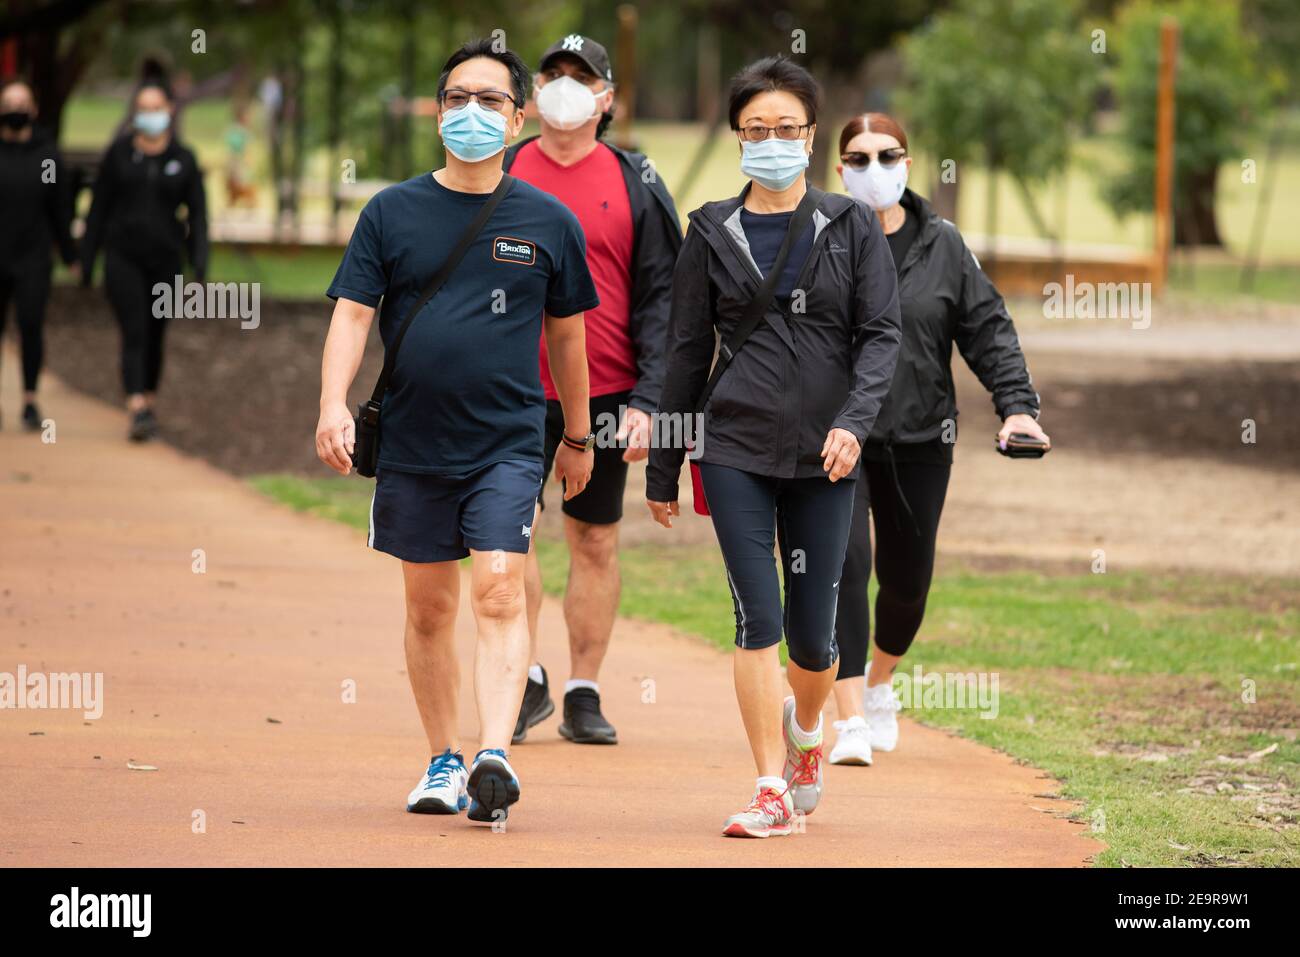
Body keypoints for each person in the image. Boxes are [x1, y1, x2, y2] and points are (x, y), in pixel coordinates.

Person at [314, 39, 599, 827]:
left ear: (519, 118)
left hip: (508, 443)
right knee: (430, 608)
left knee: (501, 587)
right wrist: (332, 402)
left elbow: (568, 338)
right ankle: (443, 756)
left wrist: (578, 435)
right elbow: (352, 314)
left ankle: (494, 754)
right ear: (440, 112)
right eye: (457, 99)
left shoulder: (549, 221)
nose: (472, 114)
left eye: (490, 101)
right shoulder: (391, 212)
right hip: (411, 442)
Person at [646, 57, 902, 838]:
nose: (772, 141)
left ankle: (806, 735)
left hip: (827, 454)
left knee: (815, 630)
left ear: (812, 135)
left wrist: (853, 424)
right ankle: (767, 786)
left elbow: (881, 334)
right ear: (737, 139)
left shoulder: (849, 224)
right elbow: (686, 350)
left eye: (786, 129)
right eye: (756, 130)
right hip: (734, 447)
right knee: (756, 617)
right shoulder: (710, 229)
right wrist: (664, 461)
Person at [827, 113, 1048, 766]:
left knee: (906, 581)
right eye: (859, 158)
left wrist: (1017, 408)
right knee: (844, 565)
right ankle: (846, 722)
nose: (874, 169)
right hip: (838, 439)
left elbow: (988, 329)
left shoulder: (943, 244)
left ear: (908, 163)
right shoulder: (818, 238)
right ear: (839, 170)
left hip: (922, 437)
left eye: (886, 155)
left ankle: (877, 687)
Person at [501, 33, 681, 747]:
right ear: (534, 92)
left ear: (608, 98)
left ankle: (582, 688)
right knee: (507, 541)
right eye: (554, 74)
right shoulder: (502, 168)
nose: (567, 86)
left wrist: (650, 400)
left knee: (595, 540)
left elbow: (665, 298)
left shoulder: (637, 180)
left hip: (606, 394)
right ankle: (523, 679)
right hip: (508, 390)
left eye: (583, 77)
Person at [80, 78, 208, 442]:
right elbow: (98, 210)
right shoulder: (118, 155)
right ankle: (136, 404)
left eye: (157, 108)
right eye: (143, 108)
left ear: (169, 109)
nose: (150, 115)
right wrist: (86, 260)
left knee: (155, 332)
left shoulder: (183, 159)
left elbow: (198, 214)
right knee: (134, 328)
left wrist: (199, 263)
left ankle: (148, 399)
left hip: (166, 259)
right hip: (123, 257)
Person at [0, 78, 77, 432]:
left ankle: (30, 400)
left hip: (33, 257)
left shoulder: (47, 157)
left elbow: (59, 209)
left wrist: (71, 254)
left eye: (22, 103)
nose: (15, 109)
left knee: (31, 325)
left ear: (33, 110)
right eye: (9, 102)